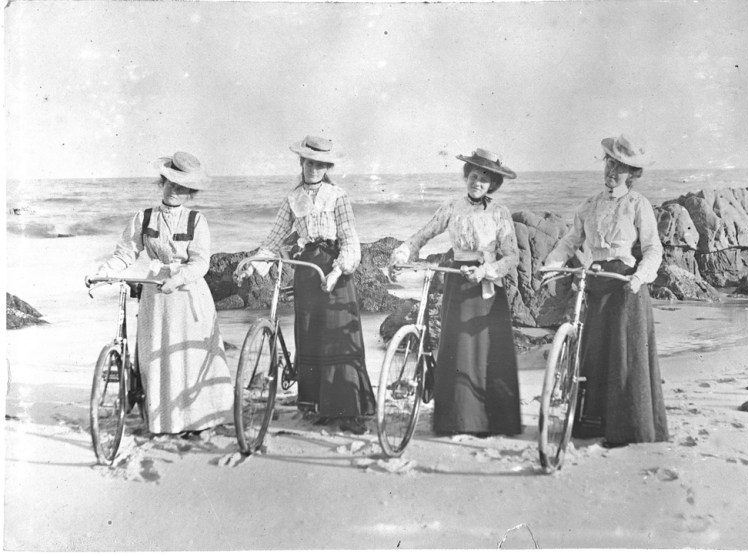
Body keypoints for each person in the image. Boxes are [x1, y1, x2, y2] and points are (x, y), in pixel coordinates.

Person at [236, 135, 375, 435]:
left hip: (335, 272)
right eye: (309, 162)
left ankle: (349, 410)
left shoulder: (338, 195)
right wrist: (252, 265)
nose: (314, 169)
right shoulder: (292, 198)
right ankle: (319, 407)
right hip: (306, 273)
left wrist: (339, 271)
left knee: (338, 337)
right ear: (301, 162)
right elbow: (274, 239)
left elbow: (350, 239)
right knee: (310, 335)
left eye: (320, 164)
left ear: (327, 166)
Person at [92, 151, 233, 437]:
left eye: (182, 186)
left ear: (190, 192)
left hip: (188, 295)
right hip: (155, 295)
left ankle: (198, 419)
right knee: (157, 356)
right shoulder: (144, 218)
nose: (175, 190)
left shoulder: (197, 221)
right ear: (162, 181)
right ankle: (163, 421)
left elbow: (201, 263)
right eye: (170, 182)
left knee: (187, 357)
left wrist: (178, 278)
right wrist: (103, 274)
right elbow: (125, 253)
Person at [543, 133, 669, 447]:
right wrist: (552, 264)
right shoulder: (589, 205)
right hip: (593, 284)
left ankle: (629, 429)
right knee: (593, 354)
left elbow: (653, 249)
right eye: (609, 164)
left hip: (626, 286)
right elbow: (569, 242)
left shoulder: (638, 205)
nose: (611, 172)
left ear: (633, 174)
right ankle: (588, 425)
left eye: (620, 167)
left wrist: (640, 277)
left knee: (626, 358)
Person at [389, 148, 522, 437]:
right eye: (474, 176)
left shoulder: (500, 213)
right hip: (456, 283)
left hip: (486, 287)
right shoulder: (451, 207)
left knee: (486, 352)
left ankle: (490, 421)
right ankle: (458, 420)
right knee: (458, 351)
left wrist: (487, 271)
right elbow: (423, 234)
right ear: (466, 177)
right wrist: (402, 252)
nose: (478, 182)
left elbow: (512, 257)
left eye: (485, 179)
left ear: (492, 184)